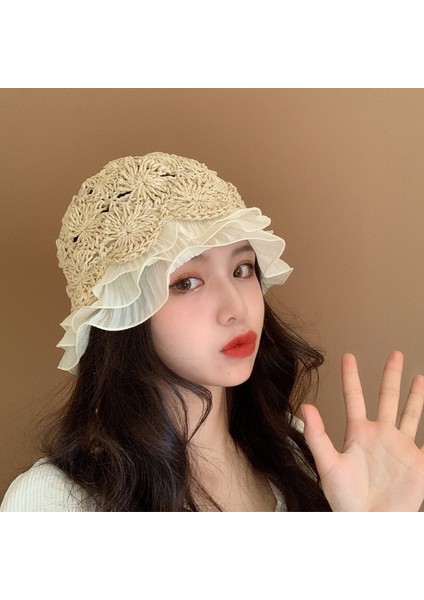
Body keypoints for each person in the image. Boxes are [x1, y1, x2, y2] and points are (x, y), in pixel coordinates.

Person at [1, 152, 424, 512]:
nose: (237, 308)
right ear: (123, 314)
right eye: (187, 282)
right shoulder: (53, 502)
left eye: (242, 269)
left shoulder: (297, 452)